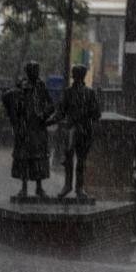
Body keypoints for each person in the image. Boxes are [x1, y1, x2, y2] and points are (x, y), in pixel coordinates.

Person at [2, 61, 55, 198]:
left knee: (39, 157)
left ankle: (39, 187)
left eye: (37, 70)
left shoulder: (41, 86)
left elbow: (51, 105)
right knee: (24, 158)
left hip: (38, 127)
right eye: (32, 70)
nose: (35, 72)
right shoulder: (21, 87)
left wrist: (43, 115)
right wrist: (16, 118)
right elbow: (7, 98)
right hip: (25, 127)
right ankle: (24, 188)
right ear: (28, 71)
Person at [50, 63, 101, 199]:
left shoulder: (89, 93)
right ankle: (68, 186)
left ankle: (79, 187)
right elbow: (60, 111)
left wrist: (85, 115)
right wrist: (51, 120)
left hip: (83, 130)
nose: (74, 76)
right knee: (68, 159)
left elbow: (96, 114)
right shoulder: (68, 92)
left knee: (81, 160)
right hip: (71, 130)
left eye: (76, 74)